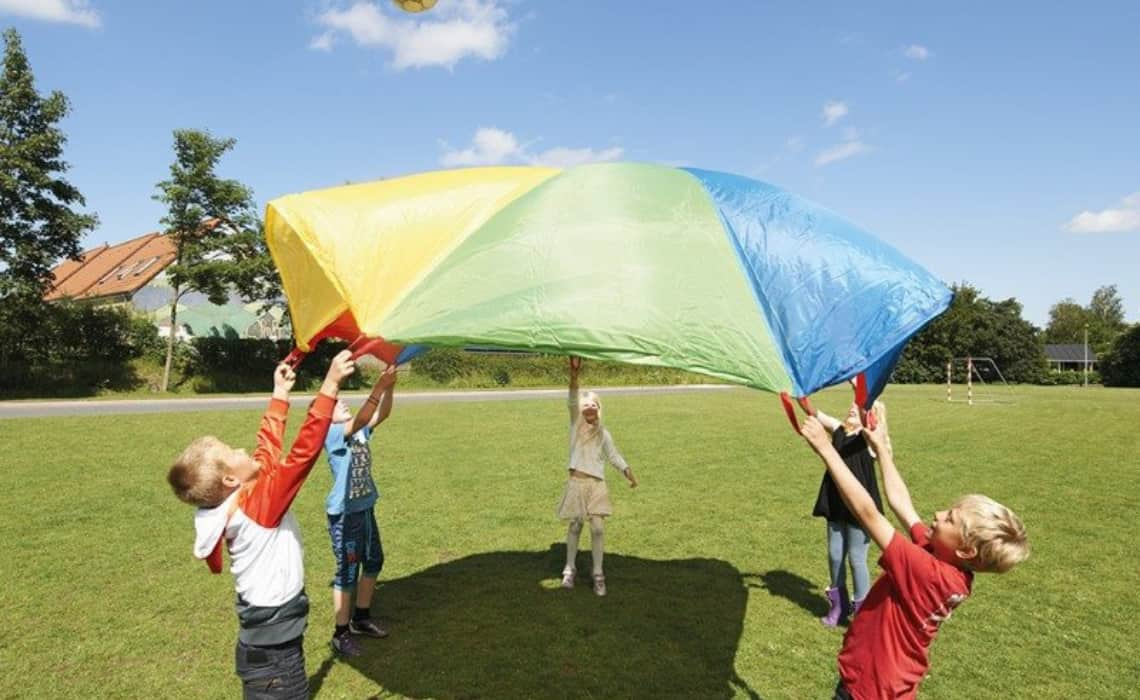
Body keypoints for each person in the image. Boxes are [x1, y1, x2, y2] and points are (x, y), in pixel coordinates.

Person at [798, 414, 1029, 700]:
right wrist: (881, 449)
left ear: (966, 550)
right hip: (890, 684)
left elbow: (868, 513)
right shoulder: (947, 565)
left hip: (869, 688)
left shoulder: (927, 573)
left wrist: (826, 449)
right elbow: (902, 505)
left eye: (950, 519)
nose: (938, 515)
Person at [167, 351, 355, 699]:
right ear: (229, 479)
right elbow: (301, 456)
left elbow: (266, 452)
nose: (242, 449)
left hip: (269, 646)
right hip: (274, 659)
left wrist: (280, 394)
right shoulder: (257, 509)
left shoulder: (242, 498)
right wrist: (329, 385)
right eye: (232, 451)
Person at [324, 365, 398, 656]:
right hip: (346, 515)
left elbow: (382, 414)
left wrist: (390, 387)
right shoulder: (331, 433)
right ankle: (340, 634)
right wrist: (378, 387)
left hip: (365, 508)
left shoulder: (360, 432)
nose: (341, 401)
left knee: (374, 560)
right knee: (347, 570)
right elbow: (363, 417)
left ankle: (362, 618)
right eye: (335, 402)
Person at [557, 357, 637, 597]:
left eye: (594, 404)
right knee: (575, 525)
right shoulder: (575, 426)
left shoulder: (604, 433)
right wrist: (573, 376)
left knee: (599, 529)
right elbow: (572, 398)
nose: (589, 407)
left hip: (597, 485)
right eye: (586, 404)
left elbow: (613, 455)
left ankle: (598, 574)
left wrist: (627, 471)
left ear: (599, 409)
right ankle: (569, 569)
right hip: (577, 483)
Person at [811, 400, 889, 626]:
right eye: (852, 406)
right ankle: (838, 606)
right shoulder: (838, 430)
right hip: (836, 504)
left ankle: (862, 614)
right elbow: (815, 413)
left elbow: (872, 428)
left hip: (861, 508)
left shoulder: (870, 440)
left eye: (860, 407)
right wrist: (798, 393)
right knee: (835, 555)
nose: (852, 408)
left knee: (856, 559)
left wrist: (862, 390)